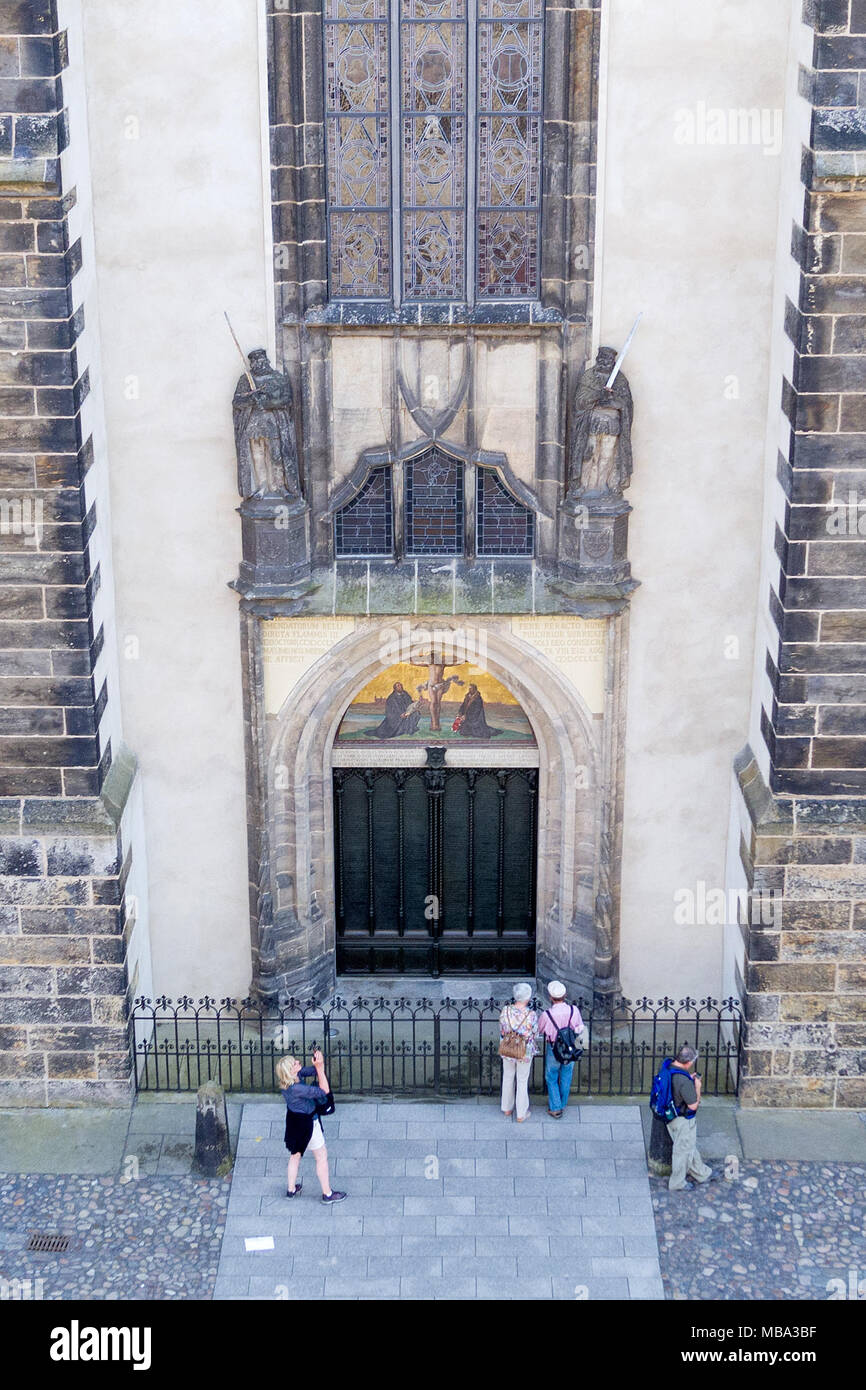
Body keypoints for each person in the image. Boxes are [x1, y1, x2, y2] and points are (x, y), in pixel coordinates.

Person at [276, 1049, 347, 1203]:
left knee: (295, 1156)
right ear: (290, 1071)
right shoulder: (297, 1089)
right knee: (321, 1157)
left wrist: (318, 1064)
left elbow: (312, 1070)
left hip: (294, 1122)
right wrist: (320, 1069)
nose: (298, 1062)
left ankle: (291, 1189)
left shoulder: (288, 1082)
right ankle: (327, 1194)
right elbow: (324, 1091)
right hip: (308, 1123)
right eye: (294, 1063)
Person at [666, 1043, 713, 1192]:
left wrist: (688, 1078)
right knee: (682, 1152)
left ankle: (701, 1173)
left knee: (688, 1146)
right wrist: (697, 1087)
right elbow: (693, 1105)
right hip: (683, 1120)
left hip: (670, 1115)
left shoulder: (669, 1068)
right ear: (689, 1062)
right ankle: (677, 1183)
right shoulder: (684, 1082)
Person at [536, 979, 586, 1117]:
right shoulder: (573, 1010)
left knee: (551, 1076)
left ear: (551, 997)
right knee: (566, 1075)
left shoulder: (547, 1015)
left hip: (554, 1048)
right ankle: (562, 1103)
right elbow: (580, 1028)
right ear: (565, 996)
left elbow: (539, 1029)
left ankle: (556, 1107)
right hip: (570, 1047)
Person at [498, 983, 538, 1123]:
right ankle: (521, 1113)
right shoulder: (531, 1015)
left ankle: (507, 1107)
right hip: (524, 1051)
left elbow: (502, 1029)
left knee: (508, 1077)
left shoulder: (505, 1010)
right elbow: (534, 1032)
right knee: (522, 1080)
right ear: (528, 998)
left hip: (508, 1048)